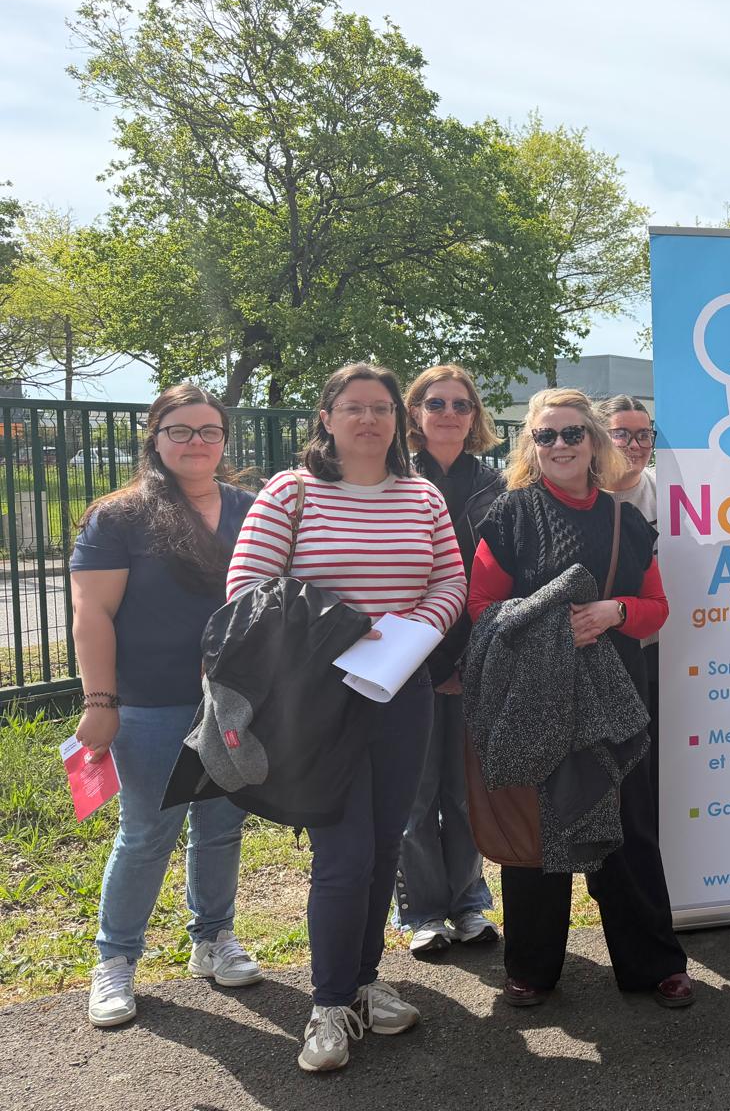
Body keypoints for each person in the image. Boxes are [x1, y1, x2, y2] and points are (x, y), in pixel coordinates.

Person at [227, 363, 466, 1073]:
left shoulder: (423, 495)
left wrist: (419, 628)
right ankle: (329, 1004)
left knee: (386, 844)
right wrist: (349, 629)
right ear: (326, 419)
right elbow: (247, 590)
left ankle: (364, 982)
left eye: (382, 408)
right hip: (317, 698)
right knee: (344, 855)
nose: (368, 420)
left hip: (401, 687)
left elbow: (450, 578)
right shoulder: (291, 492)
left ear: (399, 421)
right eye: (353, 407)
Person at [465, 388, 693, 1009]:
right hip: (535, 697)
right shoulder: (510, 516)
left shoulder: (626, 521)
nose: (560, 445)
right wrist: (549, 626)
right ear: (531, 446)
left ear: (594, 442)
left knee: (630, 832)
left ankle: (655, 963)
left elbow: (656, 610)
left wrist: (615, 611)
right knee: (538, 835)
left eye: (572, 433)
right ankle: (532, 968)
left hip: (615, 699)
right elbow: (481, 608)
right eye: (546, 435)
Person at [71, 385, 261, 1028]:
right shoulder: (118, 517)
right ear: (155, 438)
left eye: (209, 430)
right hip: (149, 703)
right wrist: (101, 700)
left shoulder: (250, 508)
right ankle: (116, 959)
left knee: (222, 827)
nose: (195, 442)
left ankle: (213, 938)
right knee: (148, 834)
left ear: (224, 440)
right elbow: (92, 614)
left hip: (233, 701)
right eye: (179, 430)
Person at [393, 366, 505, 956]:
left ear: (474, 415)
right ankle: (422, 912)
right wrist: (431, 661)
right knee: (415, 796)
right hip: (406, 658)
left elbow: (505, 577)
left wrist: (468, 659)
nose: (449, 413)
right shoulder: (392, 479)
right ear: (414, 412)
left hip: (476, 657)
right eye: (435, 403)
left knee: (464, 794)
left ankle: (467, 904)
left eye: (462, 404)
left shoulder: (498, 486)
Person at [598, 394, 661, 808]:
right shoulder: (585, 496)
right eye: (621, 434)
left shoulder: (669, 491)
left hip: (658, 651)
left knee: (653, 769)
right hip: (601, 656)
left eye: (644, 435)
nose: (635, 445)